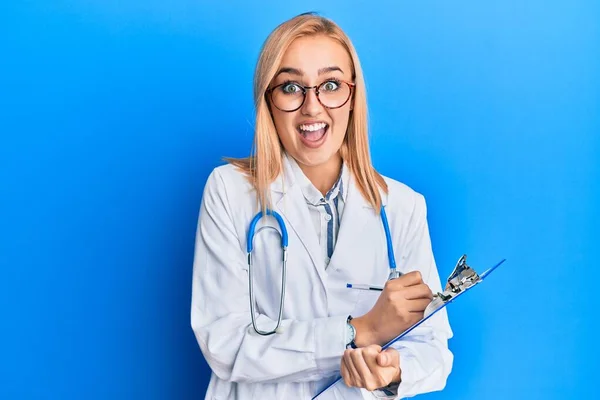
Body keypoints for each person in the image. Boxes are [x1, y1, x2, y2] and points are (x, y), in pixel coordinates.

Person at [191, 12, 453, 400]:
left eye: (330, 85)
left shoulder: (401, 206)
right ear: (269, 100)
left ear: (352, 96)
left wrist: (392, 371)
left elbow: (433, 350)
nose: (312, 107)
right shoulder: (229, 192)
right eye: (292, 87)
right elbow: (224, 343)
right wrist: (357, 331)